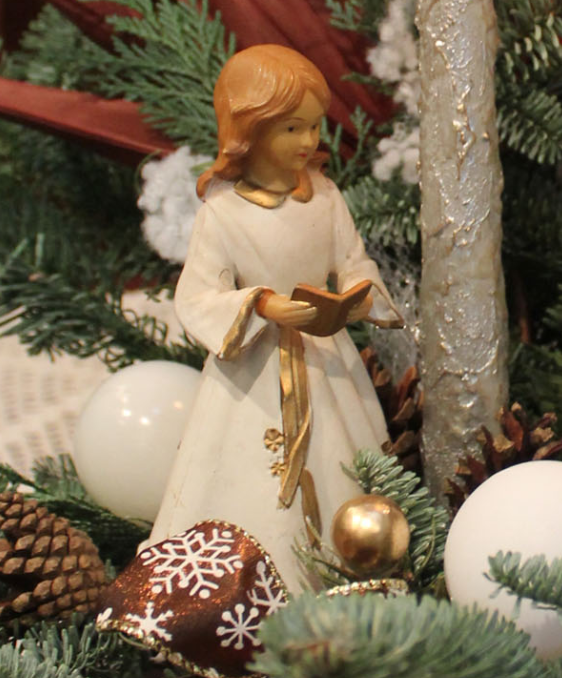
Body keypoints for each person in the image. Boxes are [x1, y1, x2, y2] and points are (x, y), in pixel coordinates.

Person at [150, 44, 403, 592]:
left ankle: (349, 570)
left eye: (314, 126)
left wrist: (357, 297)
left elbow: (354, 261)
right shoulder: (224, 213)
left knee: (344, 462)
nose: (309, 141)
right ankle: (243, 590)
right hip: (253, 374)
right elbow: (197, 295)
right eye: (292, 128)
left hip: (327, 363)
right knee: (239, 478)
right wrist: (263, 305)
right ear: (250, 130)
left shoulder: (325, 198)